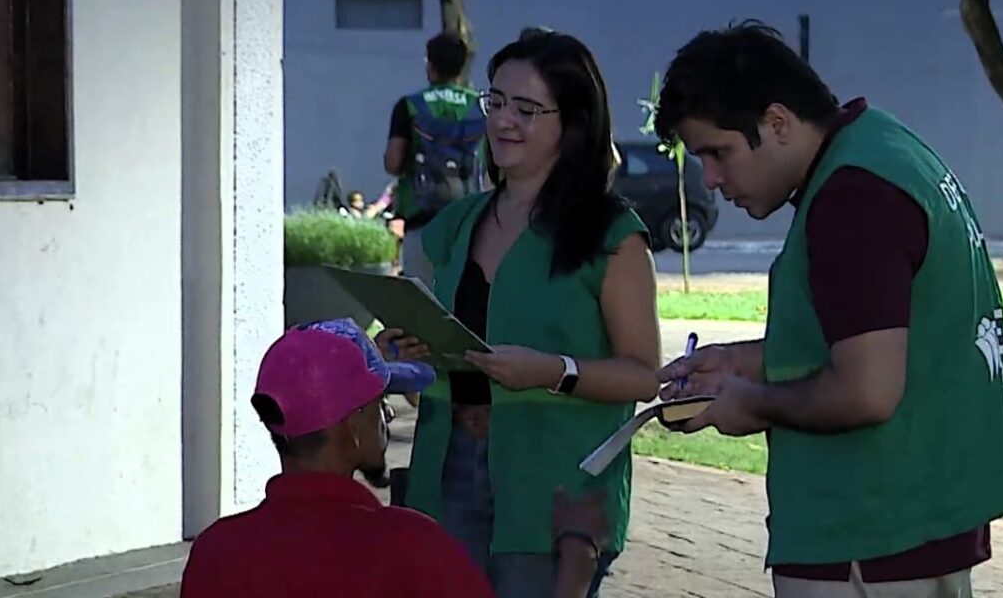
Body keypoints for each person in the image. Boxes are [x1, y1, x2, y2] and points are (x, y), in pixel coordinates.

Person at [653, 22, 1003, 598]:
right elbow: (878, 331)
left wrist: (749, 403)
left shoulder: (852, 197)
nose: (710, 179)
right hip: (912, 520)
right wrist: (742, 362)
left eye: (718, 152)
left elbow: (867, 390)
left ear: (776, 122)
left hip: (870, 535)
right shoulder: (883, 147)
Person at [398, 31, 661, 598]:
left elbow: (643, 375)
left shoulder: (612, 234)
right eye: (494, 102)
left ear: (574, 122)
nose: (503, 122)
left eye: (527, 108)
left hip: (555, 487)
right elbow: (426, 348)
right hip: (447, 472)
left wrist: (555, 370)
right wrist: (398, 350)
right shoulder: (457, 224)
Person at [180, 322, 613, 598]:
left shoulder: (216, 550)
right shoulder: (413, 546)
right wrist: (576, 566)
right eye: (378, 403)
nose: (387, 414)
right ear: (352, 427)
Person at [384, 32, 486, 287]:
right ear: (463, 65)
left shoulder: (410, 105)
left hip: (423, 222)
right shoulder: (482, 106)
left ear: (430, 64)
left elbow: (393, 163)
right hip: (470, 224)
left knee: (422, 308)